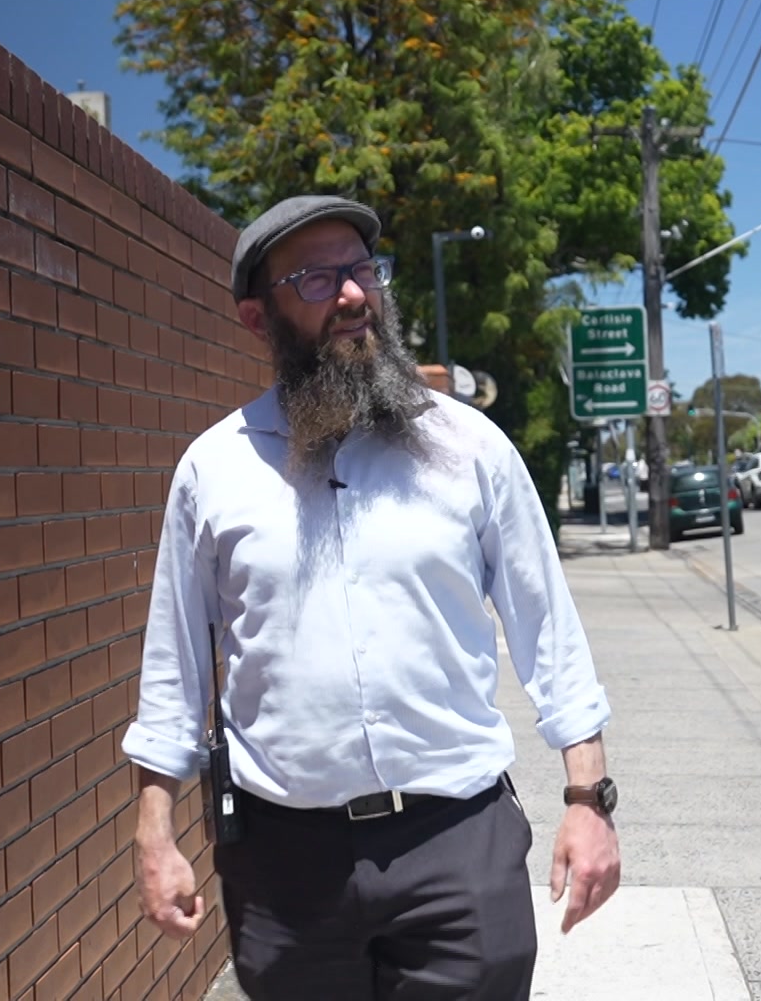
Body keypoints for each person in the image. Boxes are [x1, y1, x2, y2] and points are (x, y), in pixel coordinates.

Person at [123, 195, 621, 1000]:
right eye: (317, 279)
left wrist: (588, 799)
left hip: (457, 847)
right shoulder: (213, 471)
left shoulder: (468, 448)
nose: (354, 294)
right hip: (286, 874)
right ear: (259, 316)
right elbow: (174, 668)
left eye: (362, 269)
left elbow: (550, 632)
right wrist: (155, 831)